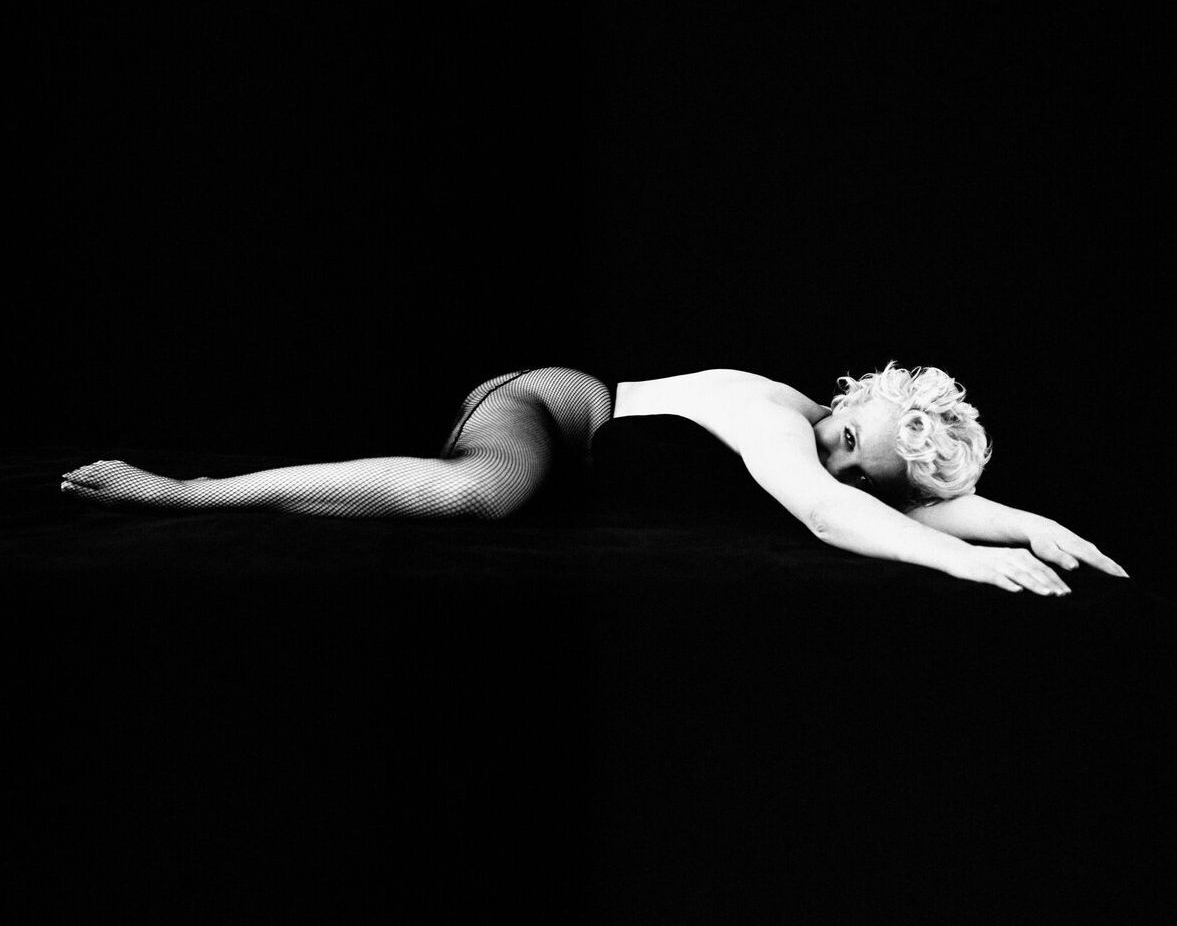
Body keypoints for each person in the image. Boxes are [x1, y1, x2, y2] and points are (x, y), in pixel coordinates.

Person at [59, 363, 1126, 595]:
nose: (838, 453)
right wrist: (956, 561)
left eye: (859, 461)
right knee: (474, 496)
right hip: (548, 407)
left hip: (577, 463)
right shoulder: (776, 420)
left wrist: (1030, 525)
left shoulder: (852, 460)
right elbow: (827, 510)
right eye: (846, 432)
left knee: (492, 502)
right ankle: (184, 490)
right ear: (846, 399)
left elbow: (909, 499)